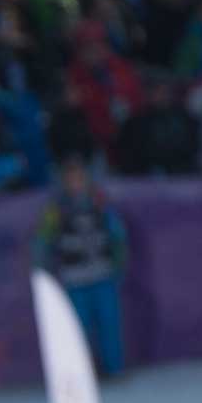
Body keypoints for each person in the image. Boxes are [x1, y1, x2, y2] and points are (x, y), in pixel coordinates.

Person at [33, 157, 128, 379]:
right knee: (77, 329)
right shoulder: (56, 209)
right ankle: (82, 373)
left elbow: (117, 235)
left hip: (102, 274)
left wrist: (119, 263)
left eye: (79, 178)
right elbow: (43, 240)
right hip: (74, 278)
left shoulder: (100, 203)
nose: (75, 183)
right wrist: (44, 271)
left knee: (109, 324)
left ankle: (114, 368)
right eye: (70, 179)